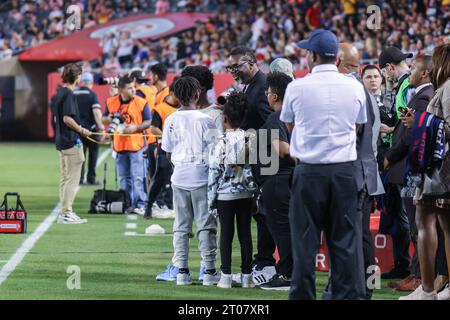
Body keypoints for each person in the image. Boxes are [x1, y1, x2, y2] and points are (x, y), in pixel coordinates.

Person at [281, 29, 367, 300]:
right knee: (345, 246)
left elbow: (289, 124)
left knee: (304, 247)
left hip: (309, 172)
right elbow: (357, 125)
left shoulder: (296, 86)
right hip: (344, 172)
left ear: (313, 55)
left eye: (308, 52)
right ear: (337, 58)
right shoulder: (354, 86)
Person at [323, 42, 384, 300]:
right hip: (364, 172)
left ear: (338, 63)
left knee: (353, 236)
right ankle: (364, 287)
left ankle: (353, 288)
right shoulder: (360, 90)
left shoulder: (350, 89)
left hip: (354, 173)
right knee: (360, 237)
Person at [399, 43, 450, 300]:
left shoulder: (448, 87)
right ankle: (432, 288)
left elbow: (447, 127)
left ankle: (428, 290)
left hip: (439, 171)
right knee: (441, 225)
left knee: (425, 222)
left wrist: (418, 122)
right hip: (439, 170)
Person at [161, 76, 219, 286]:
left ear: (175, 96)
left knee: (181, 225)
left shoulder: (170, 120)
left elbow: (167, 152)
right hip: (201, 176)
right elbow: (215, 150)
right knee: (206, 224)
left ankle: (182, 271)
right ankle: (210, 270)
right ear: (197, 94)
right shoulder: (206, 120)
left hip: (179, 176)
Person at [384, 55, 434, 292]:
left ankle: (419, 275)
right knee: (416, 222)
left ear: (424, 73)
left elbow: (408, 138)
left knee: (417, 223)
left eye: (414, 68)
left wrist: (389, 156)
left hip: (409, 168)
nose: (410, 72)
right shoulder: (422, 96)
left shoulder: (424, 98)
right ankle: (417, 273)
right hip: (409, 167)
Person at [227, 46, 276, 284]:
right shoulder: (253, 85)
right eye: (229, 67)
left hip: (268, 159)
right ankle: (264, 260)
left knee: (266, 213)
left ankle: (267, 263)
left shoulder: (261, 86)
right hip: (260, 157)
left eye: (236, 66)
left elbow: (273, 123)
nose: (232, 71)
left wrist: (252, 135)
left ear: (250, 63)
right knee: (262, 213)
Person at [208, 92, 257, 289]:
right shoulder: (250, 139)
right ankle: (247, 277)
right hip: (246, 194)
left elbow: (213, 175)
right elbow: (254, 170)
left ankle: (226, 276)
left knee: (226, 235)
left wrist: (211, 202)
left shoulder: (220, 142)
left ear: (225, 118)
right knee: (245, 234)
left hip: (224, 196)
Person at [256, 72, 295, 291]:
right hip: (284, 179)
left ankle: (288, 275)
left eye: (268, 91)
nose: (266, 94)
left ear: (275, 95)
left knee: (283, 228)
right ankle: (288, 271)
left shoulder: (276, 117)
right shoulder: (291, 116)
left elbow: (283, 150)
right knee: (286, 227)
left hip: (278, 179)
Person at [378, 47, 415, 280]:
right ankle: (408, 268)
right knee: (404, 216)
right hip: (405, 159)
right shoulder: (404, 85)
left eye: (383, 72)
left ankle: (416, 273)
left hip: (403, 160)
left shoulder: (406, 86)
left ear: (389, 68)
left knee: (410, 218)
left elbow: (409, 125)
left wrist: (390, 155)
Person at [102, 75, 151, 215]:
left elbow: (148, 121)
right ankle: (127, 203)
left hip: (137, 146)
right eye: (130, 88)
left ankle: (141, 204)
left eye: (134, 87)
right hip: (119, 146)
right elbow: (103, 118)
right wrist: (109, 120)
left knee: (137, 177)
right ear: (121, 90)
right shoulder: (111, 102)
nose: (133, 90)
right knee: (124, 178)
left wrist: (135, 128)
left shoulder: (141, 102)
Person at [53, 63, 91, 224]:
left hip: (62, 141)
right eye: (80, 75)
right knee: (72, 179)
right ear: (76, 77)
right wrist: (82, 130)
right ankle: (67, 212)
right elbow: (67, 118)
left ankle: (64, 212)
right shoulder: (68, 94)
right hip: (70, 141)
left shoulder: (59, 93)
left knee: (65, 178)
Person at [145, 82, 179, 220]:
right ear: (171, 93)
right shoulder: (160, 109)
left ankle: (173, 207)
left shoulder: (183, 109)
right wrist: (168, 136)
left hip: (182, 150)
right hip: (164, 149)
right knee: (159, 178)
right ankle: (149, 206)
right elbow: (153, 128)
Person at [74, 72, 105, 185]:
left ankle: (79, 179)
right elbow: (96, 113)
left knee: (79, 156)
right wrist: (101, 128)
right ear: (91, 83)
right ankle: (91, 178)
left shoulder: (73, 94)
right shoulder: (92, 95)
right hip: (91, 131)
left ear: (81, 82)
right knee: (93, 155)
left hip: (76, 130)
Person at [181, 65, 224, 133]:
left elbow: (218, 142)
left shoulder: (216, 114)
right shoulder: (180, 112)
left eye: (189, 86)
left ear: (202, 89)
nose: (185, 90)